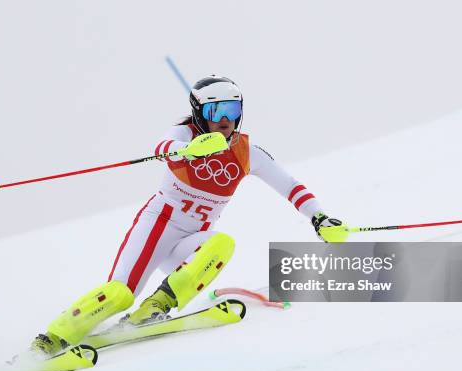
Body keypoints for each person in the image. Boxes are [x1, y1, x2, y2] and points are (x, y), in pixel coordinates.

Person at [31, 75, 348, 355]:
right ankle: (53, 338)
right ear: (200, 113)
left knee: (222, 244)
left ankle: (156, 307)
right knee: (119, 293)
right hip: (158, 227)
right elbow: (162, 147)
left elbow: (290, 185)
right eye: (216, 112)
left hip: (190, 241)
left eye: (232, 111)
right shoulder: (184, 134)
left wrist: (320, 218)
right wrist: (186, 150)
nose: (225, 120)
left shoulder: (247, 152)